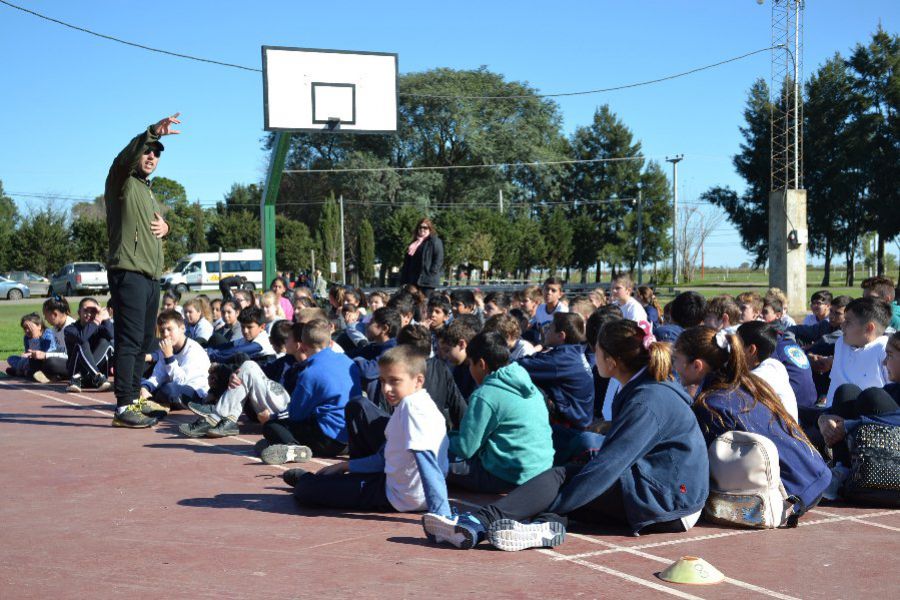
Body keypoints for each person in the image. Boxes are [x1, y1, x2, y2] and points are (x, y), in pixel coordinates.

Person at [423, 319, 709, 550]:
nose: (591, 354)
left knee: (562, 479)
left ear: (610, 360)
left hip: (671, 502)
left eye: (595, 349)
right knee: (567, 480)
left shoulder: (648, 400)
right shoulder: (643, 388)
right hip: (661, 490)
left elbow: (610, 466)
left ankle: (480, 522)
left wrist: (555, 501)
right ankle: (543, 527)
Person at [673, 326, 830, 514]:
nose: (673, 365)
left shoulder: (710, 405)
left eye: (676, 359)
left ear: (697, 365)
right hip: (815, 476)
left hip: (788, 496)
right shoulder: (749, 384)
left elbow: (698, 466)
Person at [286, 346, 451, 517]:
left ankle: (307, 480)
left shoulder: (411, 408)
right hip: (398, 486)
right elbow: (386, 458)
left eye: (394, 381)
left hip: (398, 497)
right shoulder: (420, 402)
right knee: (357, 408)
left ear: (418, 381)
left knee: (307, 491)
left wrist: (441, 514)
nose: (386, 389)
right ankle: (324, 481)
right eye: (382, 381)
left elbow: (427, 462)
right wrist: (345, 465)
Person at [106, 113, 177, 428]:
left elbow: (153, 229)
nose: (152, 156)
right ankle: (123, 407)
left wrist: (168, 227)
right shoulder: (122, 180)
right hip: (129, 273)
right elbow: (123, 159)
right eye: (148, 150)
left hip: (150, 277)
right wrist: (150, 133)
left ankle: (134, 398)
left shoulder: (148, 192)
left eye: (157, 152)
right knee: (130, 340)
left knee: (144, 340)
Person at [447, 331, 554, 493]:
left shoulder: (485, 395)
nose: (470, 368)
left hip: (506, 477)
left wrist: (443, 438)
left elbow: (465, 448)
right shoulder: (526, 382)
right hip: (541, 472)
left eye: (470, 364)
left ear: (481, 364)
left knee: (436, 458)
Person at [179, 321, 305, 440]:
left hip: (285, 414)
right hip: (270, 405)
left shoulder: (308, 370)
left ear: (297, 345)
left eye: (288, 339)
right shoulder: (288, 360)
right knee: (246, 365)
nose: (285, 341)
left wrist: (273, 417)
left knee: (247, 364)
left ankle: (216, 414)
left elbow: (301, 407)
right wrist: (236, 375)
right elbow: (260, 370)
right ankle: (225, 420)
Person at [260, 319, 362, 464]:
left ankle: (294, 449)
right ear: (329, 340)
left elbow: (296, 415)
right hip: (351, 438)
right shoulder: (348, 361)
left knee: (272, 427)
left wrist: (271, 418)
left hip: (328, 440)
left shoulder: (309, 373)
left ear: (302, 345)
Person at [517, 312, 596, 464]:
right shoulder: (573, 351)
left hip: (570, 428)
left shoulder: (561, 359)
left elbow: (520, 366)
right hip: (578, 419)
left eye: (550, 329)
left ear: (561, 335)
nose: (545, 331)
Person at [140, 310, 210, 413]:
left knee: (169, 389)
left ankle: (158, 401)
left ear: (182, 328)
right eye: (162, 331)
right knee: (139, 383)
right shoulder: (166, 348)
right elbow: (158, 375)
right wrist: (145, 387)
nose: (166, 334)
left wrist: (169, 357)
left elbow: (182, 382)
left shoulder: (193, 350)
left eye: (169, 329)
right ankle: (156, 400)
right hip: (174, 386)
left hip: (195, 392)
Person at [825, 297, 892, 404]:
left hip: (865, 418)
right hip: (829, 414)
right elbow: (835, 383)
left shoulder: (885, 350)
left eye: (848, 322)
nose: (842, 325)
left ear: (869, 328)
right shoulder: (841, 343)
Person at [737, 321, 798, 420]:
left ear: (751, 350)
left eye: (736, 344)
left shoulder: (763, 375)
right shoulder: (774, 365)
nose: (732, 348)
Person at [64, 298, 114, 393]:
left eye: (93, 311)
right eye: (86, 311)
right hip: (77, 378)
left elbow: (111, 335)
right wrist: (97, 320)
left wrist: (106, 318)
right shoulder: (70, 329)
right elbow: (83, 338)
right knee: (82, 342)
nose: (89, 314)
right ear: (79, 313)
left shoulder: (100, 328)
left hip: (94, 380)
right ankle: (96, 375)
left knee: (106, 342)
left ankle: (94, 376)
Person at [28, 297, 76, 383]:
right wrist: (40, 354)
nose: (45, 319)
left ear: (55, 314)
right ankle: (53, 375)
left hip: (75, 363)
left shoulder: (71, 328)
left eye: (46, 315)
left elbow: (70, 355)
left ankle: (55, 376)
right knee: (34, 359)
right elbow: (59, 349)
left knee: (50, 362)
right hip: (64, 360)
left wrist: (46, 355)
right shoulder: (55, 328)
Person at [207, 306, 275, 363]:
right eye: (242, 327)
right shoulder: (245, 339)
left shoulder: (262, 341)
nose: (245, 331)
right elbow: (225, 346)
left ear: (262, 327)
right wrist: (207, 350)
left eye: (249, 327)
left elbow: (235, 352)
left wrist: (211, 355)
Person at [437, 315, 481, 400]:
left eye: (447, 350)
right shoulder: (458, 367)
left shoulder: (478, 370)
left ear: (461, 344)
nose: (445, 356)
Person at [400, 218, 444, 297]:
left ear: (430, 229)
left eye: (425, 227)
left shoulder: (434, 241)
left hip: (427, 281)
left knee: (425, 304)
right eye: (420, 227)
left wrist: (431, 272)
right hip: (413, 280)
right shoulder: (414, 244)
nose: (422, 229)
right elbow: (407, 262)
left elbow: (439, 259)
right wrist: (404, 279)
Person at [6, 313, 56, 378]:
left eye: (30, 327)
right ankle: (24, 371)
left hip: (45, 360)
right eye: (24, 328)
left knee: (30, 363)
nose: (27, 330)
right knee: (11, 358)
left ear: (39, 326)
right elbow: (27, 352)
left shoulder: (47, 334)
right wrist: (26, 355)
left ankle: (23, 371)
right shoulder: (26, 337)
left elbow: (44, 352)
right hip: (31, 360)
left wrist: (35, 339)